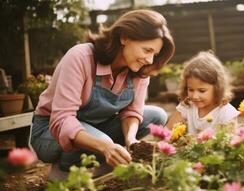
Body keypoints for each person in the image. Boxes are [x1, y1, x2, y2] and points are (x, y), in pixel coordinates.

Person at [30, 9, 175, 173]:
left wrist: (131, 140)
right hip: (49, 131)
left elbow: (132, 113)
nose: (150, 60)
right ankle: (67, 166)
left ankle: (94, 156)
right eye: (147, 50)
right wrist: (105, 146)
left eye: (154, 54)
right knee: (104, 141)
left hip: (96, 126)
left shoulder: (140, 69)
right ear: (124, 37)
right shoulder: (81, 57)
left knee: (157, 115)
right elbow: (62, 119)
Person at [166, 51, 239, 134]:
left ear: (217, 88)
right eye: (191, 89)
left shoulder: (226, 112)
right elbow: (167, 131)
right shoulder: (187, 106)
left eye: (202, 91)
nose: (195, 96)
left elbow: (231, 141)